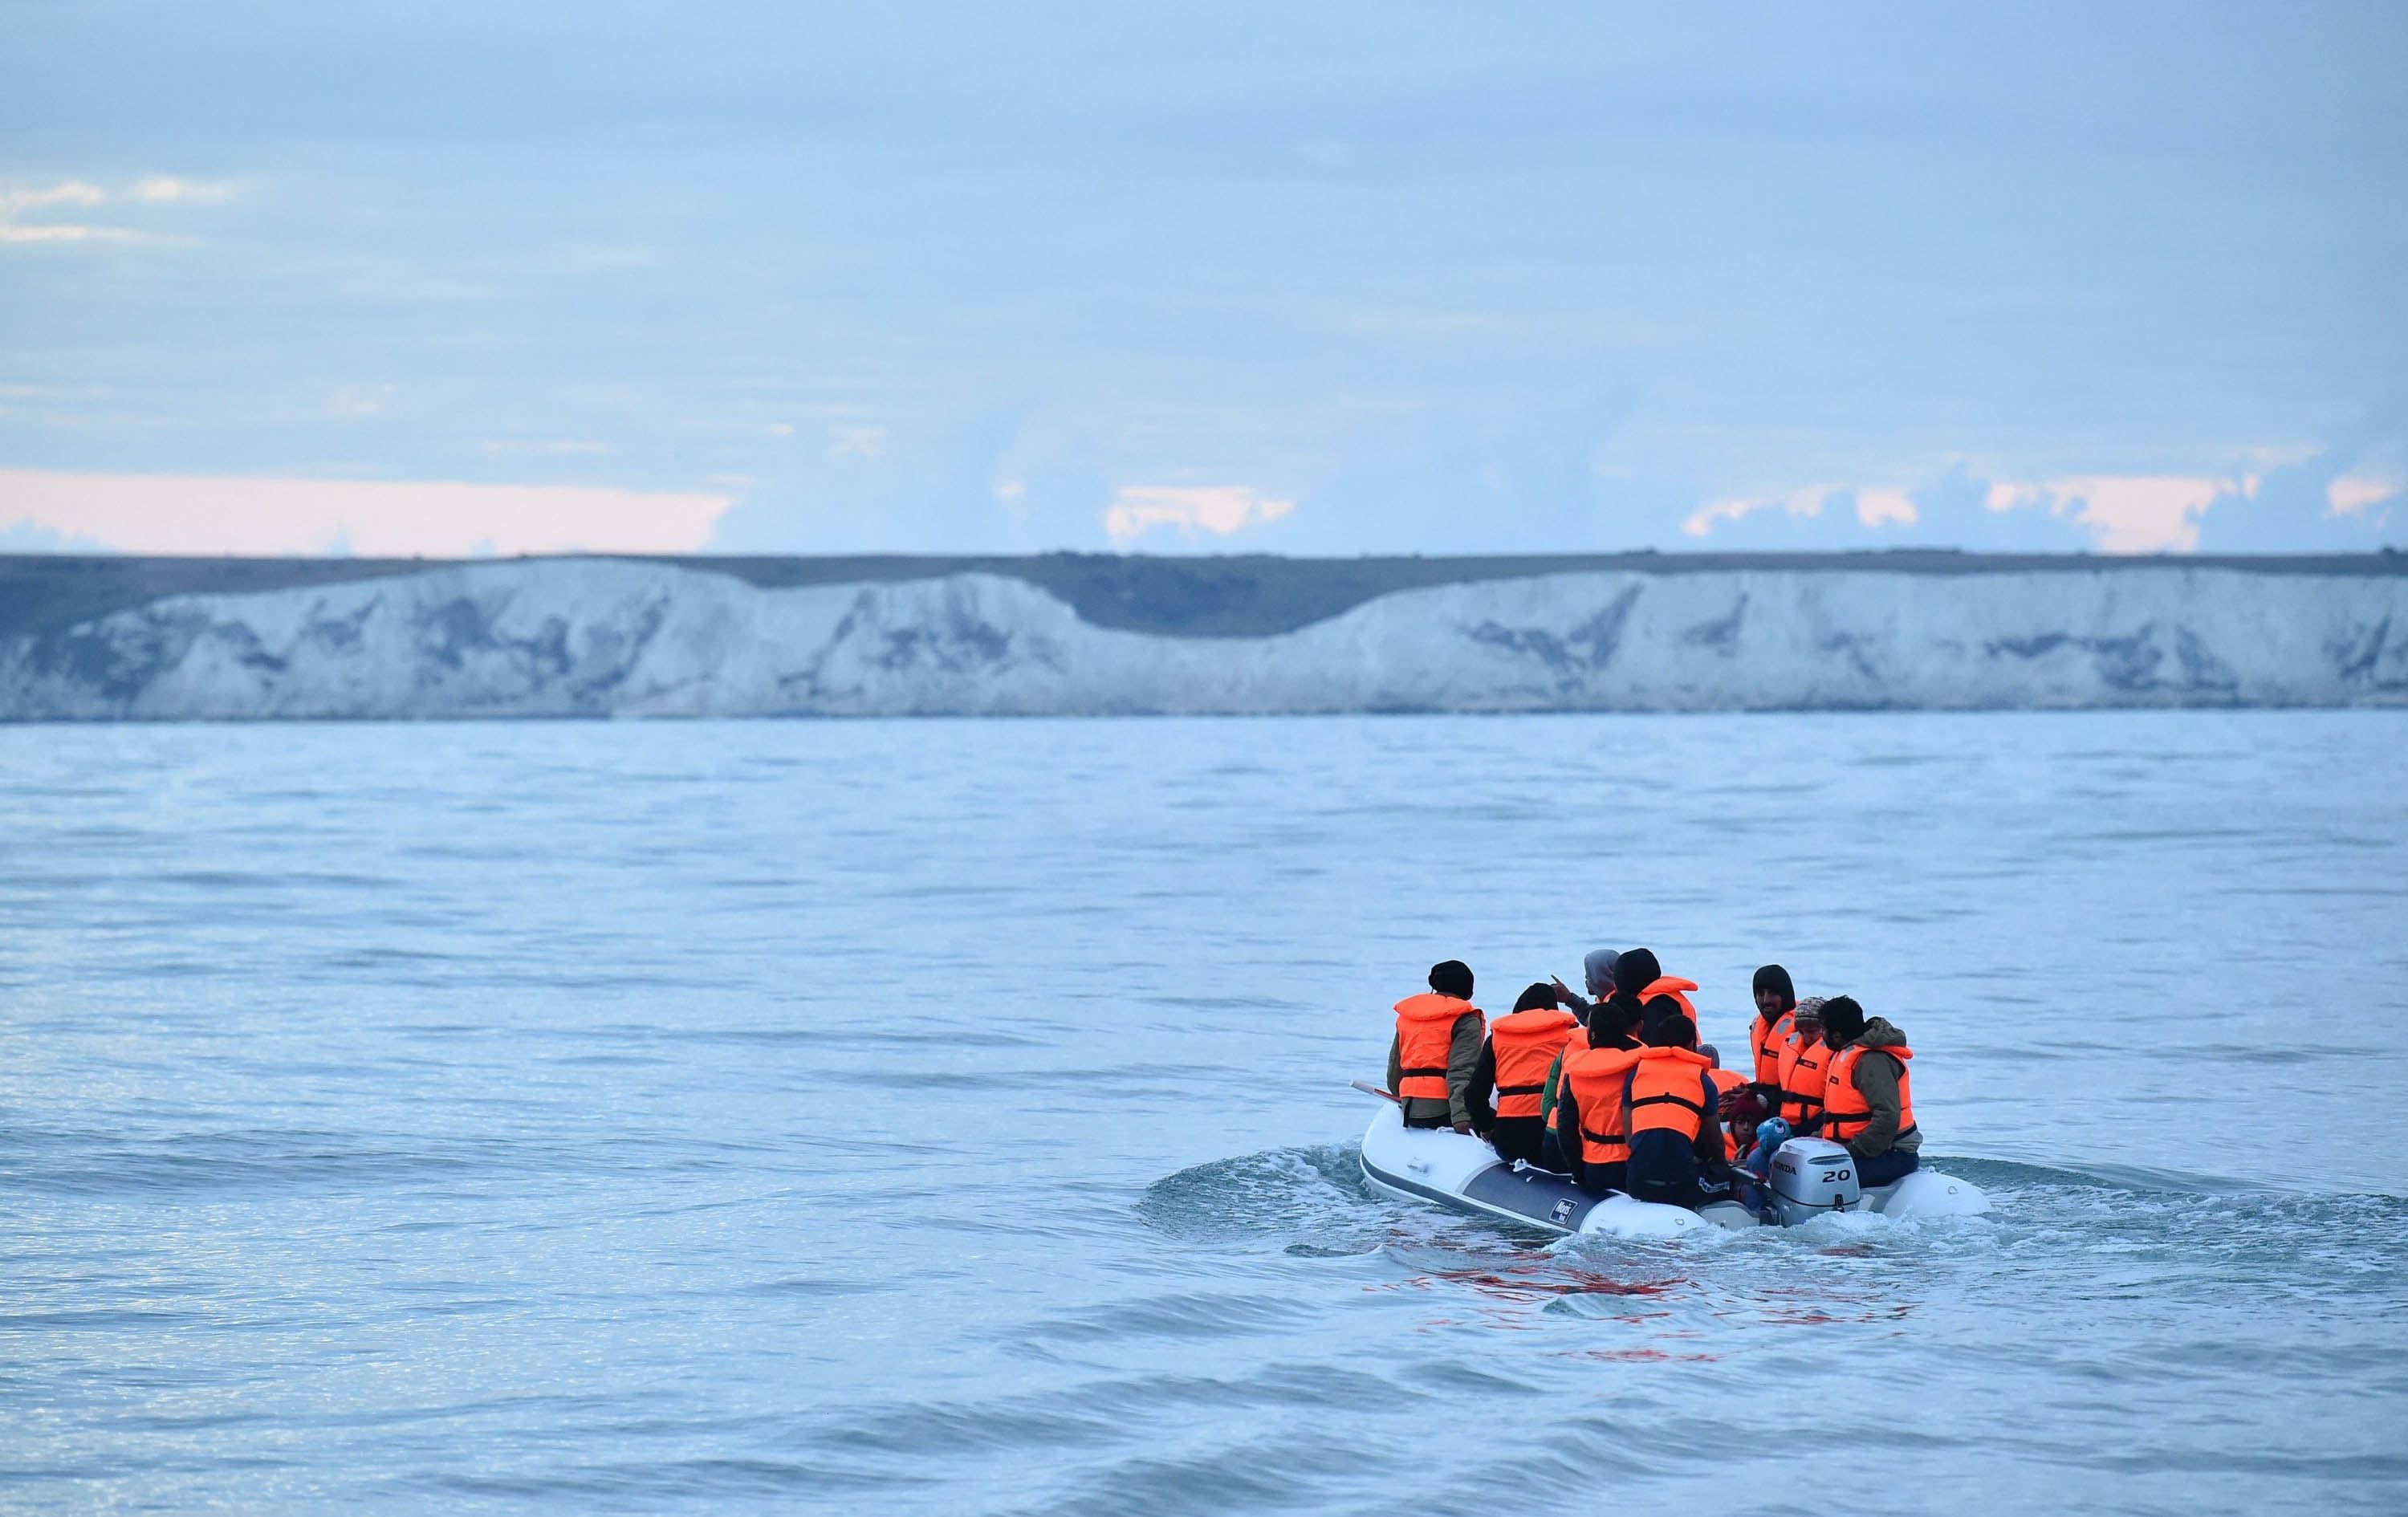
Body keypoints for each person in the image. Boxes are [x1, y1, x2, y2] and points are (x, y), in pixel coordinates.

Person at [1617, 1013, 1731, 1208]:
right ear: (1691, 1045)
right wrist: (1719, 1164)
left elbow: (1630, 1139)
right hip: (1680, 1187)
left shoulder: (1635, 1076)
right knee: (1727, 1178)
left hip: (1637, 1184)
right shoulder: (1703, 1081)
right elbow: (1715, 1144)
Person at [1466, 982, 1581, 1167]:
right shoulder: (1572, 1035)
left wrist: (1487, 1127)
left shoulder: (1496, 1038)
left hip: (1510, 1140)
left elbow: (1474, 1095)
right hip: (1556, 1138)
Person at [1816, 995, 1922, 1186]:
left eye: (1823, 1030)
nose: (1821, 1035)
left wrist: (1852, 1150)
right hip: (1863, 1150)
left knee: (1819, 1179)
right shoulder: (1847, 1053)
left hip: (1893, 1154)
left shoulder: (1871, 1060)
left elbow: (1888, 1117)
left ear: (1837, 1035)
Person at [1552, 997, 1645, 1195]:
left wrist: (1577, 1174)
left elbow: (1566, 1130)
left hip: (1594, 1167)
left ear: (1592, 1034)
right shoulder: (1640, 1065)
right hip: (1634, 1165)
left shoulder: (1576, 1071)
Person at [1387, 960, 1486, 1133]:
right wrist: (1461, 1117)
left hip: (1410, 1109)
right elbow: (1461, 1071)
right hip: (1444, 1111)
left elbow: (1394, 1069)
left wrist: (1403, 1099)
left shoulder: (1407, 1017)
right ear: (1469, 992)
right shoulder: (1466, 1020)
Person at [1775, 996, 1831, 1130]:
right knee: (1757, 1151)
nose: (1806, 1037)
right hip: (1787, 1121)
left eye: (1812, 1032)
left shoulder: (1833, 1053)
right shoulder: (1792, 1048)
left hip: (1816, 1123)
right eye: (1801, 1032)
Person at [1746, 964, 1798, 1089]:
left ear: (1785, 995)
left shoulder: (1804, 1030)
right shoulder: (1759, 1027)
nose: (1765, 1000)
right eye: (1760, 994)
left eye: (1772, 993)